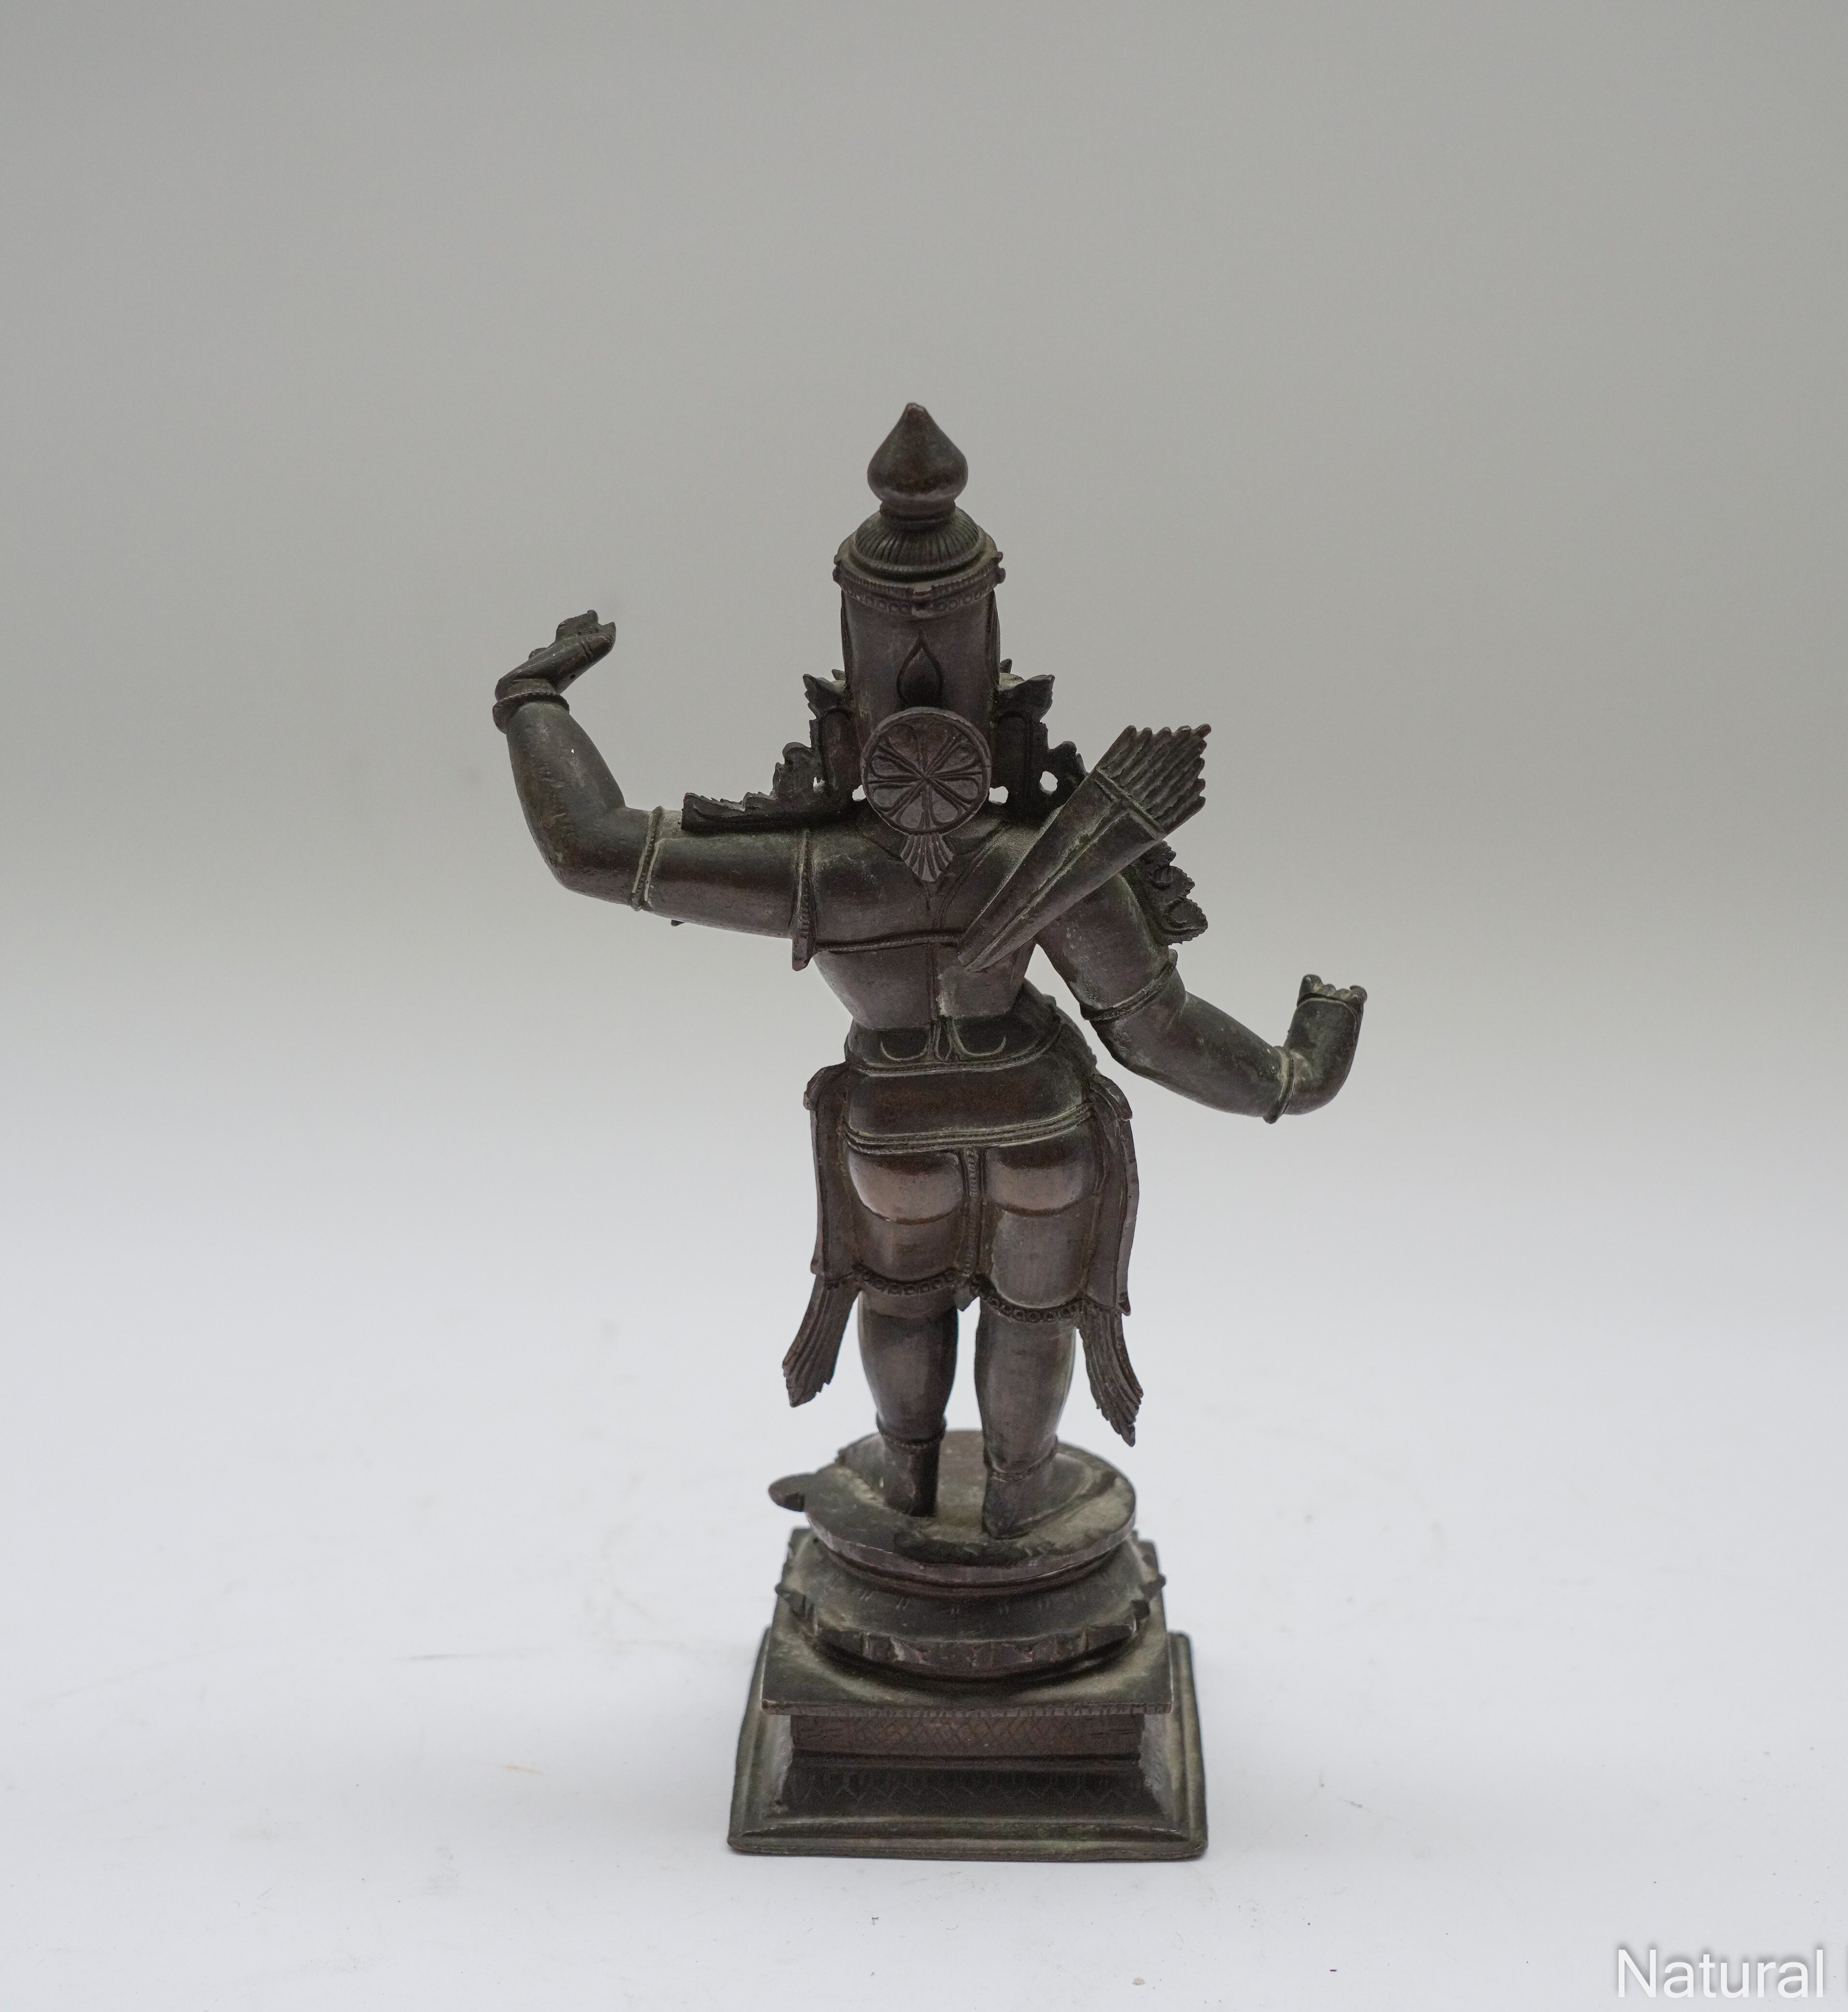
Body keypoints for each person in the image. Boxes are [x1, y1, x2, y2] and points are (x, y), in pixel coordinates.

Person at [494, 406, 1364, 1537]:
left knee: (901, 1301)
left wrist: (532, 701)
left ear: (846, 696)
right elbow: (1152, 1028)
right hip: (1037, 1125)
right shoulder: (1046, 859)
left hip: (891, 1138)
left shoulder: (818, 869)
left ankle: (905, 1488)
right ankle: (1016, 1498)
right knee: (1032, 1316)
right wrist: (1290, 1077)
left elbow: (594, 850)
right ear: (993, 681)